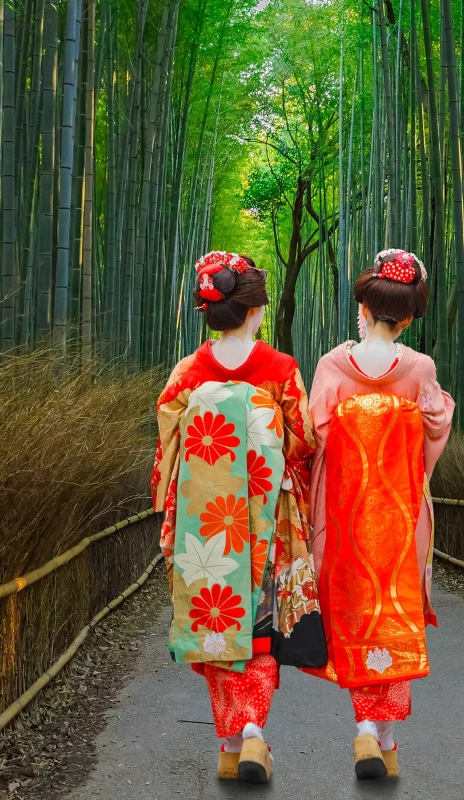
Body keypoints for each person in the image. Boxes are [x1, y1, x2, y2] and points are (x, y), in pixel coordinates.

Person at [150, 251, 322, 784]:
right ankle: (252, 737)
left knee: (215, 623)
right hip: (264, 520)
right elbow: (303, 442)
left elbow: (168, 446)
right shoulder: (281, 370)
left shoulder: (188, 374)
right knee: (260, 624)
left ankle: (231, 741)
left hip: (204, 522)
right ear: (254, 313)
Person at [305, 248, 455, 780]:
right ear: (409, 317)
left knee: (353, 614)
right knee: (395, 614)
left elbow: (314, 436)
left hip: (343, 518)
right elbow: (434, 431)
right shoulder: (420, 369)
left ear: (362, 308)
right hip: (400, 514)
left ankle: (370, 732)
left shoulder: (330, 365)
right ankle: (379, 735)